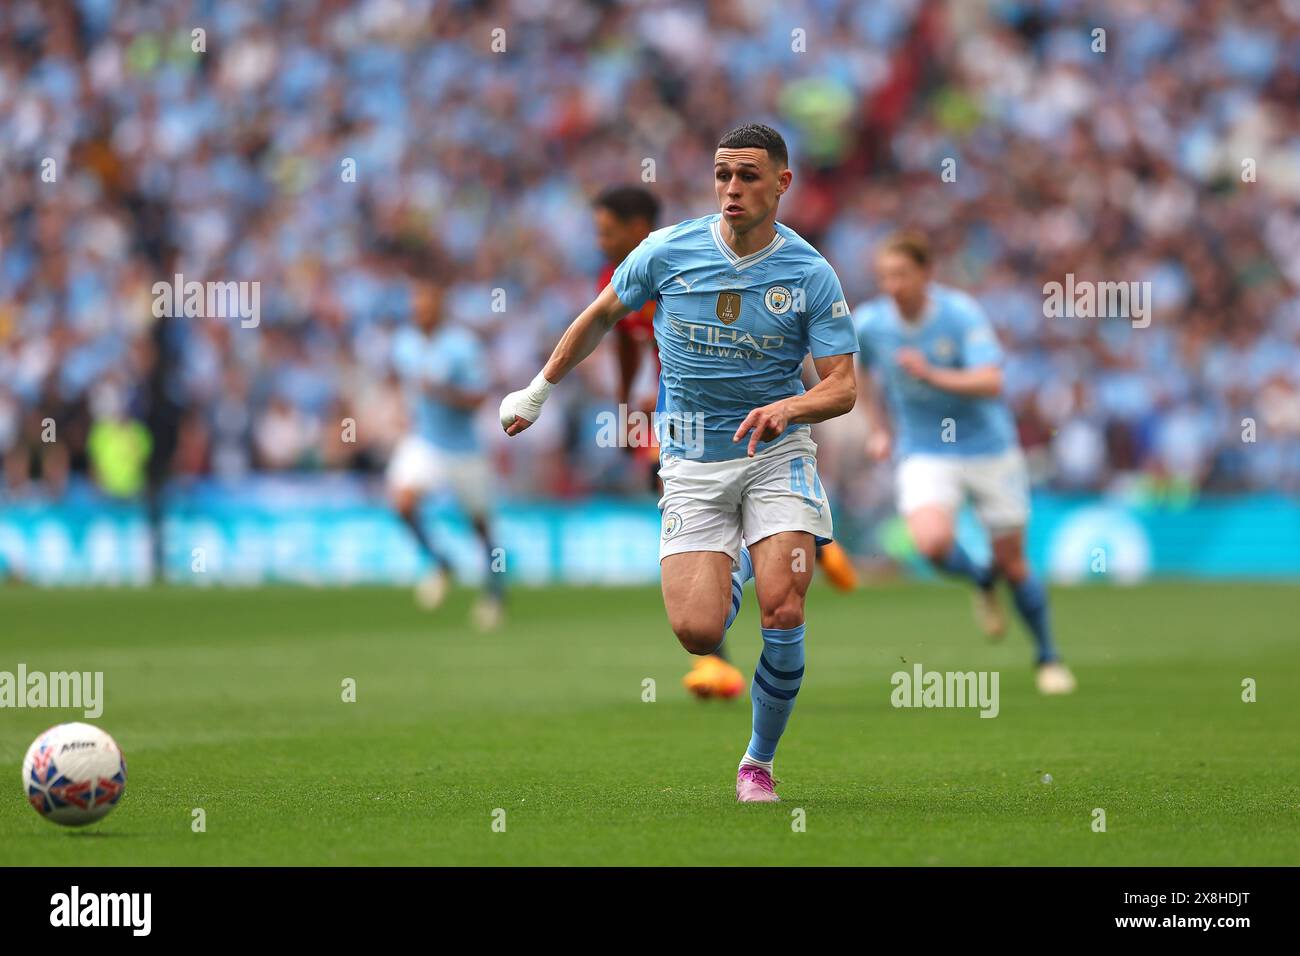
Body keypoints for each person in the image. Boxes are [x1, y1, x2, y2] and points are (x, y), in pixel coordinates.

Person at [501, 124, 859, 801]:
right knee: (698, 634)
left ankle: (758, 761)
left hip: (774, 453)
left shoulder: (810, 273)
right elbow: (601, 315)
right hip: (692, 459)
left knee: (783, 609)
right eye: (723, 174)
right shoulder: (667, 251)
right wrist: (538, 389)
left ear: (783, 184)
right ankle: (747, 557)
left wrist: (793, 407)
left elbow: (842, 385)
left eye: (749, 176)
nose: (732, 188)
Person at [853, 232, 1076, 694]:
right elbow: (862, 375)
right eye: (884, 277)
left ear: (926, 274)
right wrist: (878, 429)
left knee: (1014, 564)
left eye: (901, 275)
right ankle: (980, 580)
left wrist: (932, 374)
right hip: (925, 449)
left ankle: (1047, 657)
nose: (892, 285)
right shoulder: (871, 324)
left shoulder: (959, 315)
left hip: (989, 449)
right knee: (932, 543)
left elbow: (992, 382)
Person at [388, 276, 505, 630]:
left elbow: (477, 398)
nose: (419, 312)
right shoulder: (404, 343)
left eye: (425, 305)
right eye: (415, 306)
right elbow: (405, 386)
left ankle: (494, 592)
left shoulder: (462, 346)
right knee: (403, 504)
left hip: (463, 448)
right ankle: (440, 562)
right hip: (425, 441)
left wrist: (441, 392)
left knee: (480, 526)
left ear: (440, 307)